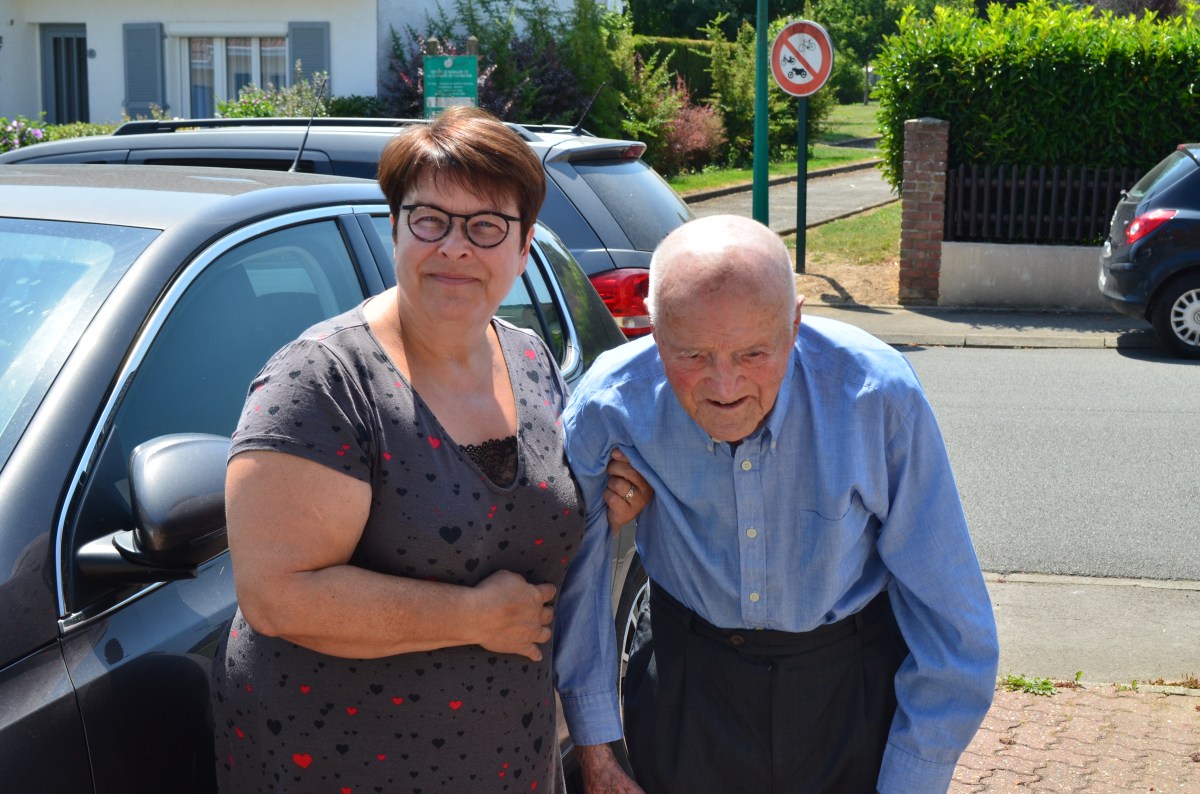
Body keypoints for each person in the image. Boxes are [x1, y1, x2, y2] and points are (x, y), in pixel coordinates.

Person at [211, 106, 649, 793]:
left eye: (486, 226)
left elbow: (524, 521)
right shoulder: (323, 380)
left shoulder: (530, 358)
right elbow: (276, 595)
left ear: (524, 248)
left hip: (507, 758)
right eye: (430, 220)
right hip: (341, 765)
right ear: (395, 229)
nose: (454, 247)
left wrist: (599, 500)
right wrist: (468, 618)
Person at [554, 214, 1000, 794]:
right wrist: (597, 751)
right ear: (655, 331)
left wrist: (913, 776)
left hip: (848, 690)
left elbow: (950, 618)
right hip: (686, 684)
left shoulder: (875, 396)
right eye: (692, 355)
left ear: (794, 324)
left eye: (752, 354)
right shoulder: (611, 403)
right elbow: (578, 576)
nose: (725, 386)